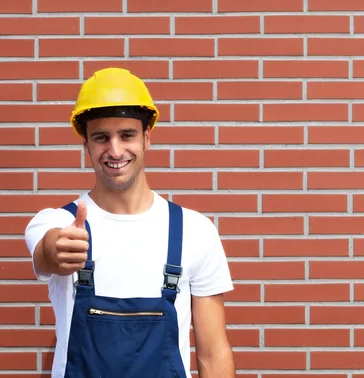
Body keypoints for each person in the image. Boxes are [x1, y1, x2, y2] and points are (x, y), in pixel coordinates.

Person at [24, 67, 236, 377]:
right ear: (85, 144)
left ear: (147, 137)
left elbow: (213, 353)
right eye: (101, 137)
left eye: (127, 134)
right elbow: (47, 251)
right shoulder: (59, 222)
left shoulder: (195, 232)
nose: (115, 149)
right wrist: (56, 249)